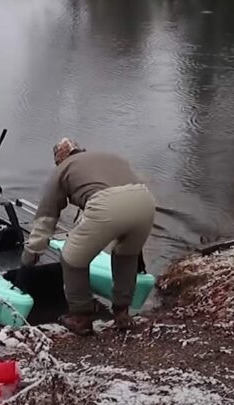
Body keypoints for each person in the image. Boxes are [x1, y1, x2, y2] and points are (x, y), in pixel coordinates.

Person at [21, 138, 156, 335]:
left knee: (72, 257)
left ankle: (81, 317)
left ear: (59, 159)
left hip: (107, 205)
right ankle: (122, 314)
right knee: (126, 254)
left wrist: (31, 255)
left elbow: (46, 219)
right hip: (145, 201)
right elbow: (130, 200)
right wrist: (139, 256)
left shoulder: (62, 169)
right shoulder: (108, 157)